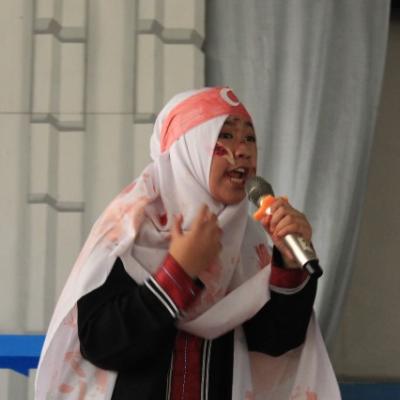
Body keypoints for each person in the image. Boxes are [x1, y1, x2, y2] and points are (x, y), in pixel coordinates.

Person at [35, 87, 341, 399]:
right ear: (186, 149)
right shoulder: (128, 231)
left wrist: (288, 264)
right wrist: (178, 272)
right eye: (225, 135)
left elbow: (275, 342)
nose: (244, 151)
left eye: (250, 138)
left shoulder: (249, 242)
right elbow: (100, 343)